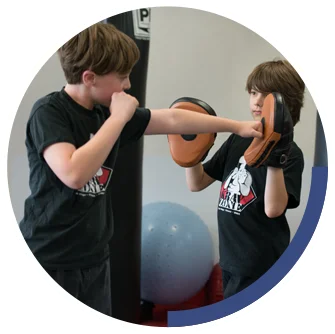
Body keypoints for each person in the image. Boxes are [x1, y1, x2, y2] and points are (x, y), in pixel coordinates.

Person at [19, 22, 263, 316]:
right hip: (50, 260)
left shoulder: (105, 113)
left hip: (95, 259)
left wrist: (237, 126)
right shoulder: (49, 112)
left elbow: (173, 120)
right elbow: (73, 173)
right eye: (121, 77)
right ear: (89, 77)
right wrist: (118, 119)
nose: (128, 85)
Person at [185, 59, 305, 299]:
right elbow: (196, 183)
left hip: (261, 265)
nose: (257, 101)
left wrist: (275, 156)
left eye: (267, 95)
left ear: (285, 102)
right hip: (231, 260)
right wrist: (190, 154)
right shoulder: (238, 140)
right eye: (253, 92)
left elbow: (273, 209)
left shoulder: (292, 154)